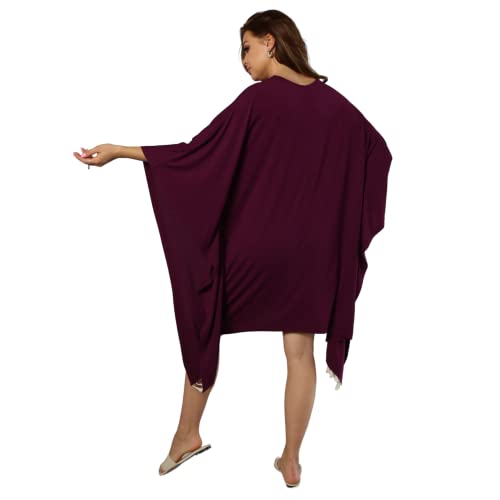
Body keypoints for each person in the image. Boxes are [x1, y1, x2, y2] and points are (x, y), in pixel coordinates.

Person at [73, 9, 392, 488]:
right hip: (313, 258)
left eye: (246, 48)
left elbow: (196, 152)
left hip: (257, 251)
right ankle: (291, 459)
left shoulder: (259, 100)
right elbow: (378, 152)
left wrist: (122, 151)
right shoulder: (338, 108)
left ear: (270, 42)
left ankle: (186, 435)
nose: (243, 60)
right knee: (299, 352)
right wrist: (342, 221)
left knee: (205, 316)